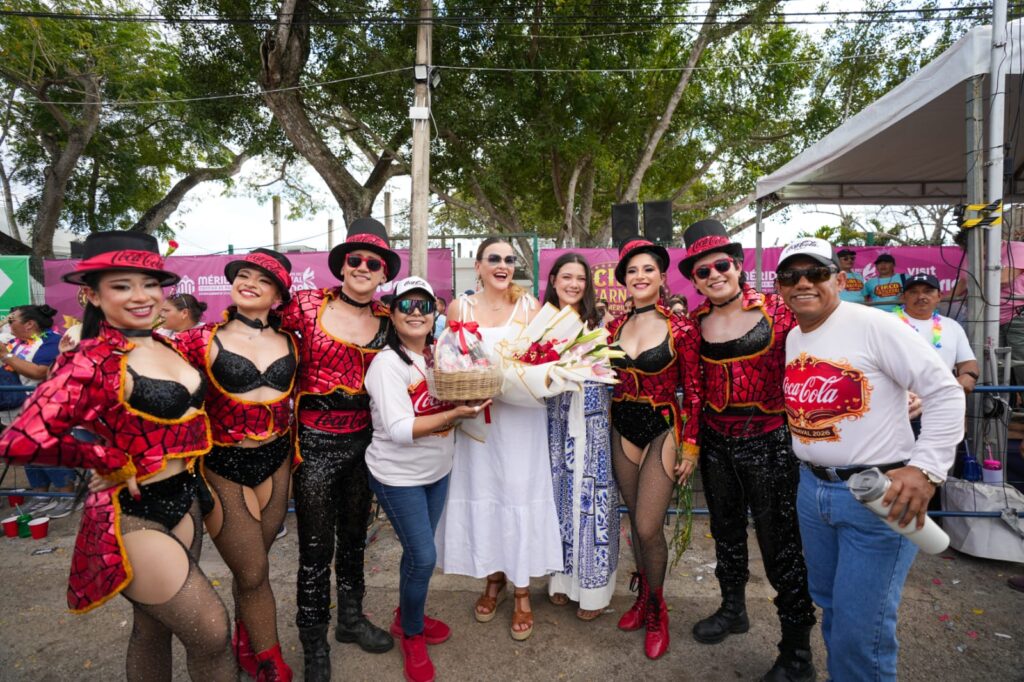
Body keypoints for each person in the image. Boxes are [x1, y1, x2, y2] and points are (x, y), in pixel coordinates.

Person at [0, 231, 235, 680]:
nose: (142, 296)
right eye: (122, 285)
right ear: (91, 293)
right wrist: (104, 458)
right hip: (131, 514)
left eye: (149, 283)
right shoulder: (91, 359)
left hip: (183, 500)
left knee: (154, 626)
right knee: (210, 632)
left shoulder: (165, 344)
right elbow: (19, 441)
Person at [776, 237, 965, 682]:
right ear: (780, 288)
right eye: (790, 275)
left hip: (876, 496)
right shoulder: (792, 336)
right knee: (833, 608)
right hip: (813, 491)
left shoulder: (875, 324)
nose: (803, 282)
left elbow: (944, 391)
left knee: (863, 632)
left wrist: (926, 468)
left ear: (840, 279)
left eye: (816, 272)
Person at [680, 220, 817, 681]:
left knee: (782, 547)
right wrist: (693, 446)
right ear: (695, 279)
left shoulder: (780, 311)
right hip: (718, 444)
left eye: (721, 265)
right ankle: (733, 610)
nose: (714, 275)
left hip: (771, 442)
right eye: (703, 271)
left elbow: (827, 349)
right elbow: (695, 392)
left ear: (738, 266)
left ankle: (797, 653)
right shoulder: (695, 324)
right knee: (726, 533)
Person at [278, 218, 400, 680]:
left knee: (353, 542)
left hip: (363, 448)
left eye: (374, 262)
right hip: (313, 447)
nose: (363, 267)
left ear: (384, 272)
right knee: (314, 548)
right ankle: (314, 642)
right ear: (342, 265)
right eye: (355, 260)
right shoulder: (306, 306)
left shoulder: (390, 321)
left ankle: (350, 621)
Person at [175, 249, 297, 680]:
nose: (249, 282)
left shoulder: (292, 342)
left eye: (262, 280)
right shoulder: (199, 339)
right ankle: (272, 663)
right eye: (242, 275)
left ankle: (247, 640)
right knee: (254, 570)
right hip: (224, 464)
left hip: (278, 462)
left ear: (278, 294)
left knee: (253, 568)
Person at [436, 237, 562, 642]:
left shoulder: (532, 308)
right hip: (478, 422)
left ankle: (522, 589)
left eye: (510, 259)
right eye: (495, 259)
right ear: (478, 265)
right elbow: (452, 361)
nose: (503, 265)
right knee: (486, 492)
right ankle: (492, 580)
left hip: (523, 420)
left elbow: (546, 362)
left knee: (519, 496)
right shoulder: (460, 308)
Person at [364, 276, 489, 682]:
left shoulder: (439, 355)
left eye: (424, 305)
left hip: (437, 471)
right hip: (398, 477)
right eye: (406, 305)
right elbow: (400, 429)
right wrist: (455, 415)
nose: (415, 313)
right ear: (392, 313)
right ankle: (412, 637)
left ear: (435, 312)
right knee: (424, 557)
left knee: (418, 556)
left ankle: (405, 616)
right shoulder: (386, 364)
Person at [604, 238, 701, 660]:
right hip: (621, 425)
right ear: (623, 281)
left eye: (648, 270)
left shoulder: (681, 328)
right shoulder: (612, 328)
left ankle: (659, 608)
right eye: (632, 271)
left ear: (662, 277)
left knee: (647, 526)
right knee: (632, 517)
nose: (639, 277)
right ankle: (643, 595)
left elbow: (694, 392)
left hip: (662, 426)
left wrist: (691, 447)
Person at [542, 253, 619, 621]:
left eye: (580, 279)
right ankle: (559, 581)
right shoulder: (540, 324)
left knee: (592, 501)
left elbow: (609, 373)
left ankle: (593, 590)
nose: (573, 284)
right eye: (566, 277)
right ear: (554, 279)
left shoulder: (598, 323)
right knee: (559, 501)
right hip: (555, 423)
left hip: (591, 425)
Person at [1, 304, 79, 518]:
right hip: (16, 409)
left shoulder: (51, 341)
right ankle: (41, 495)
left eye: (11, 320)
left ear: (29, 324)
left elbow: (39, 372)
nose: (8, 323)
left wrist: (4, 355)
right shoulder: (14, 343)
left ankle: (66, 495)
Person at [896, 273, 978, 391]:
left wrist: (968, 376)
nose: (921, 296)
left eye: (928, 291)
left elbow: (967, 362)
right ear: (903, 297)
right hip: (898, 398)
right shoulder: (886, 322)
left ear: (939, 296)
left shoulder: (952, 326)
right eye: (913, 292)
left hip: (942, 397)